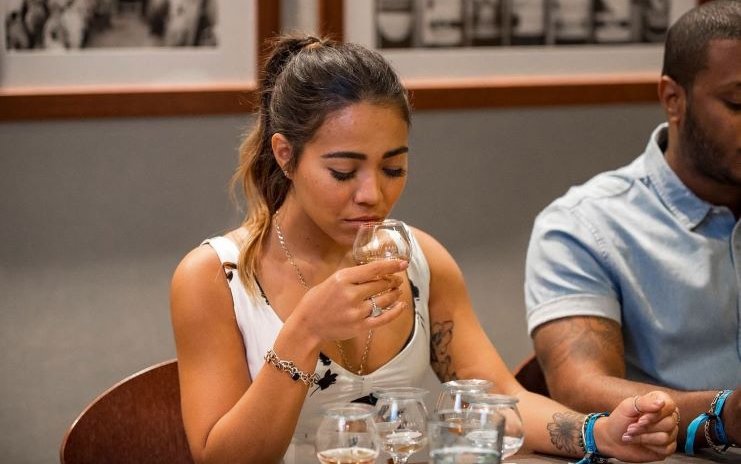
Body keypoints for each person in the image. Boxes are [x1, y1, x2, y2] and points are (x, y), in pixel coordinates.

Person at [171, 33, 678, 464]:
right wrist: (305, 330)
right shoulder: (214, 276)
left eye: (393, 168)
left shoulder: (419, 258)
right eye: (343, 172)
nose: (373, 194)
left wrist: (599, 433)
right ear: (286, 155)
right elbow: (223, 458)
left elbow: (500, 398)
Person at [525, 0, 741, 455]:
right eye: (738, 104)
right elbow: (578, 390)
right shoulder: (586, 225)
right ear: (673, 99)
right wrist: (724, 415)